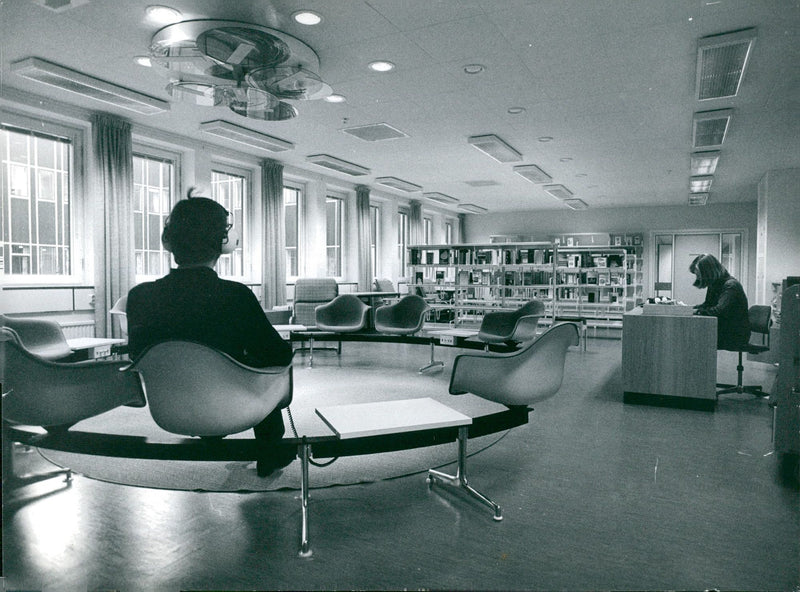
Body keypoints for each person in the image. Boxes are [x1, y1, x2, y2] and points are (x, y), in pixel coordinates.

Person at [127, 190, 295, 477]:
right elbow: (275, 354)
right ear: (222, 242)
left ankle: (211, 436)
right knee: (268, 365)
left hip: (170, 411)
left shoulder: (140, 296)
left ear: (169, 241)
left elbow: (137, 354)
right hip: (234, 407)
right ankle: (270, 448)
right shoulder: (236, 296)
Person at [690, 253, 751, 350]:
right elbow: (708, 304)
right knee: (691, 334)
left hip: (734, 334)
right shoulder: (714, 284)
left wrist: (697, 312)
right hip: (724, 329)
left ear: (708, 272)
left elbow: (719, 311)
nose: (698, 278)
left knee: (692, 337)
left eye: (699, 274)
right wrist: (691, 308)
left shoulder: (731, 286)